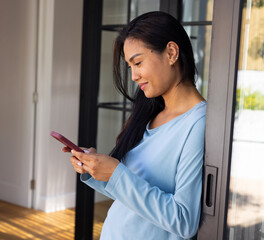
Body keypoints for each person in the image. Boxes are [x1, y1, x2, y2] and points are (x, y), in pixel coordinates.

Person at [64, 11, 206, 240]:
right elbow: (130, 194)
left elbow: (183, 220)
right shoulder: (151, 114)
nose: (133, 76)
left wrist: (116, 173)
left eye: (138, 63)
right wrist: (96, 167)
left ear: (171, 52)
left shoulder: (197, 124)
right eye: (130, 66)